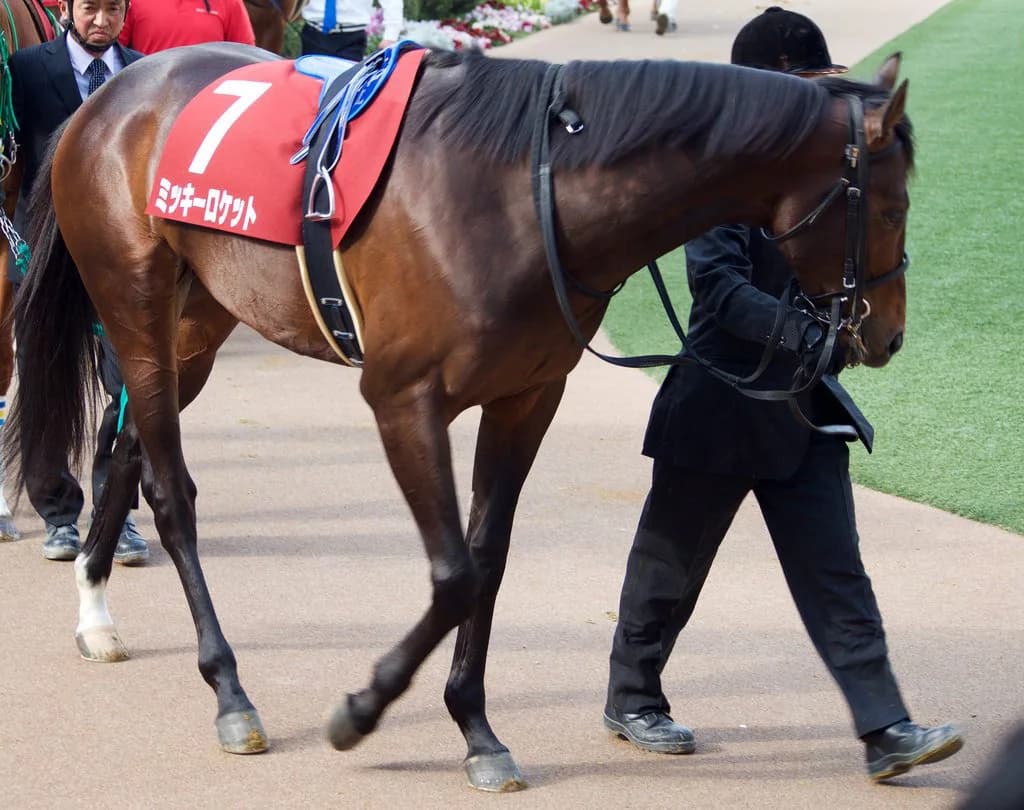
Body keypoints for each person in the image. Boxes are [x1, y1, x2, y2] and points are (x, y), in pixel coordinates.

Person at [603, 6, 964, 782]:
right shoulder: (719, 173)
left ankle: (886, 728)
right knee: (670, 564)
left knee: (836, 571)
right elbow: (716, 288)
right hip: (719, 400)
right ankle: (632, 697)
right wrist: (810, 337)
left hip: (803, 404)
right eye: (812, 85)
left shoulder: (824, 169)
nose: (823, 104)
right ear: (772, 86)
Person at [8, 0, 149, 565]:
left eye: (112, 9)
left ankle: (117, 512)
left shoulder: (145, 72)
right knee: (45, 384)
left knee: (129, 388)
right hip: (43, 254)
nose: (101, 20)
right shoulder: (24, 69)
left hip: (120, 258)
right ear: (67, 8)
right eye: (91, 7)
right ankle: (58, 515)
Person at [118, 0, 255, 54]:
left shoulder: (229, 2)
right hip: (149, 103)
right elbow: (114, 54)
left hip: (208, 103)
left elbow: (247, 57)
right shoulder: (132, 2)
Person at [299, 0, 402, 62]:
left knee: (344, 87)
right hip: (314, 34)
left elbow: (392, 2)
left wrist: (390, 36)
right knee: (309, 87)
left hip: (351, 38)